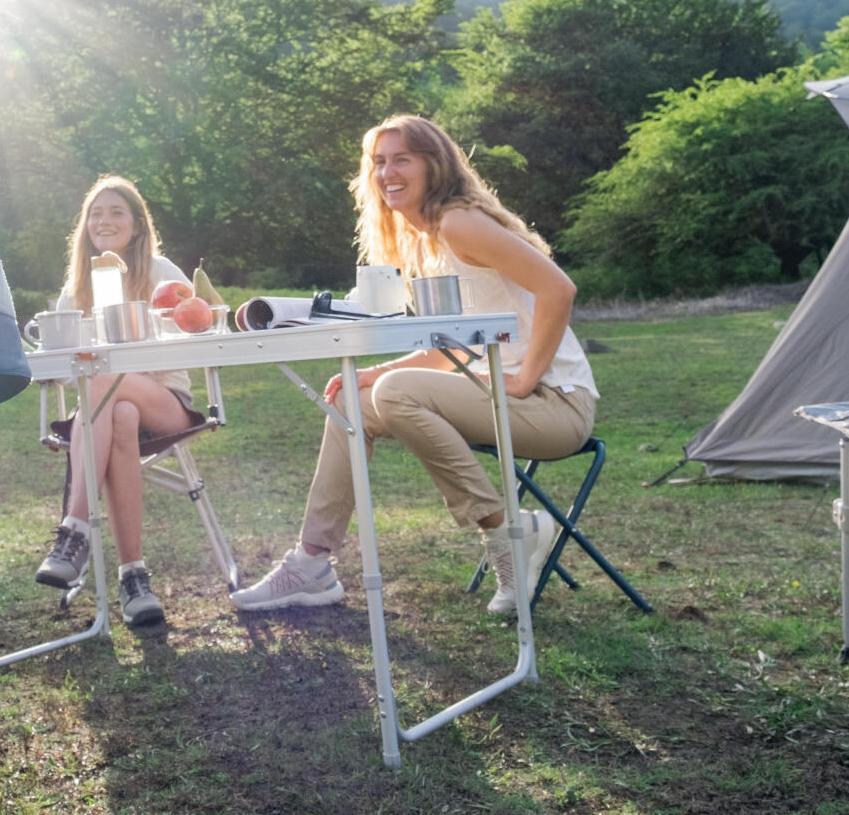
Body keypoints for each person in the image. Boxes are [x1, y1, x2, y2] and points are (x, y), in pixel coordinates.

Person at [229, 114, 597, 617]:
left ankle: (504, 532)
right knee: (353, 400)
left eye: (402, 159)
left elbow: (559, 288)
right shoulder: (423, 241)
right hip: (493, 391)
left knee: (396, 391)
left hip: (555, 405)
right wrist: (374, 374)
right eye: (379, 161)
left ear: (435, 164)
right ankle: (312, 564)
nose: (387, 172)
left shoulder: (459, 222)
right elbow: (456, 345)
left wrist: (526, 377)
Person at [33, 175, 203, 627]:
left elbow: (196, 332)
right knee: (118, 409)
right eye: (96, 213)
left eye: (116, 212)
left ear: (137, 225)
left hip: (166, 404)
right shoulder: (78, 288)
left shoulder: (163, 274)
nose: (104, 221)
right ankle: (134, 578)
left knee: (103, 373)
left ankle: (75, 530)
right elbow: (63, 362)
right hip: (109, 416)